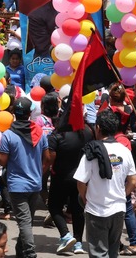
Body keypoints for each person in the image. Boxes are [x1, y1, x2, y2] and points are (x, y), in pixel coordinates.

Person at [74, 108, 136, 258]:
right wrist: (122, 194)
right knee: (113, 251)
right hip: (118, 209)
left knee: (98, 253)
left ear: (98, 128)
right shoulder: (124, 150)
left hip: (96, 210)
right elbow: (133, 180)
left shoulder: (92, 151)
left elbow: (80, 182)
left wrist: (85, 197)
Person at [0, 96, 46, 258]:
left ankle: (30, 253)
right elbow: (48, 157)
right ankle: (21, 252)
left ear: (13, 113)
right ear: (30, 113)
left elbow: (2, 161)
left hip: (17, 185)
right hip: (35, 184)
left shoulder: (8, 135)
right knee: (27, 221)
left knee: (24, 222)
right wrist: (39, 171)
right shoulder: (40, 133)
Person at [44, 100, 93, 254]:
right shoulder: (88, 131)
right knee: (78, 210)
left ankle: (65, 235)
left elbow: (50, 158)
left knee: (54, 206)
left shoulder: (57, 134)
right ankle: (78, 243)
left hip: (61, 178)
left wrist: (44, 172)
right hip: (81, 178)